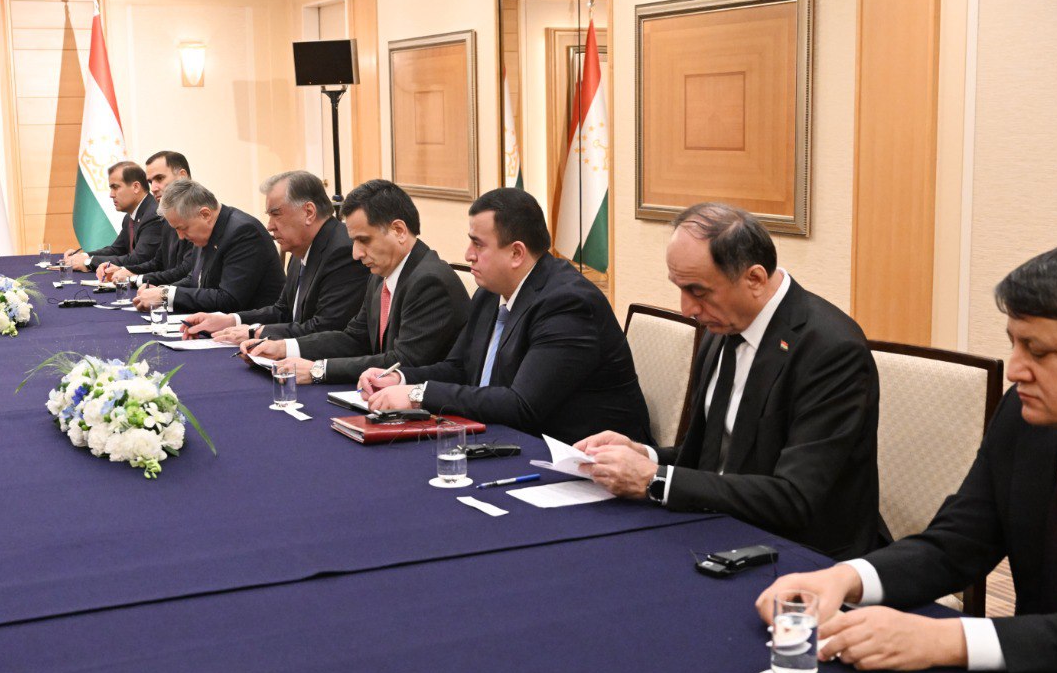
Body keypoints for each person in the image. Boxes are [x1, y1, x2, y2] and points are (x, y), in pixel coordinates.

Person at [754, 241, 1057, 673]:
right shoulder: (1026, 415)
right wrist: (844, 578)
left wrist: (945, 639)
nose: (1015, 371)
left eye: (1039, 352)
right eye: (1014, 343)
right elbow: (957, 544)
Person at [574, 202, 886, 560]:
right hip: (718, 528)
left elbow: (795, 498)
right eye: (680, 288)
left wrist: (654, 479)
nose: (687, 309)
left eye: (698, 291)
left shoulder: (830, 350)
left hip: (803, 553)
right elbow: (712, 461)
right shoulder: (721, 329)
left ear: (754, 279)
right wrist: (642, 454)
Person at [363, 187, 650, 444]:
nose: (468, 254)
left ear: (516, 253)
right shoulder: (490, 292)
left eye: (478, 244)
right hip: (506, 439)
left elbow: (522, 405)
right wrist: (400, 379)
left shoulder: (568, 304)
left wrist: (418, 395)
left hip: (583, 458)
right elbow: (460, 368)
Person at [248, 179, 470, 386]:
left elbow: (401, 362)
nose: (356, 253)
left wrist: (319, 369)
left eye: (364, 240)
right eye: (354, 241)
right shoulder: (380, 275)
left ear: (399, 231)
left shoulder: (430, 281)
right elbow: (354, 338)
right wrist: (284, 347)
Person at [181, 170, 368, 345]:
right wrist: (230, 320)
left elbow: (325, 329)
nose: (269, 226)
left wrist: (256, 332)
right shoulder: (301, 247)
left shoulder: (342, 252)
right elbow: (282, 311)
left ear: (309, 213)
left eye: (276, 214)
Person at [133, 178, 284, 314]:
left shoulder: (243, 232)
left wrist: (166, 295)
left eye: (183, 228)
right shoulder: (206, 231)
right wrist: (161, 291)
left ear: (205, 214)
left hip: (255, 329)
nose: (180, 236)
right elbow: (195, 279)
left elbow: (229, 300)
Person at [100, 151, 195, 286]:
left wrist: (135, 279)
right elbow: (158, 263)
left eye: (159, 178)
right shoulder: (166, 217)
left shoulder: (198, 215)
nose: (153, 188)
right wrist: (126, 271)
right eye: (151, 182)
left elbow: (185, 271)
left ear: (182, 177)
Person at [63, 161, 162, 272]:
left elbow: (138, 259)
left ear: (136, 187)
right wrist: (84, 256)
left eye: (115, 187)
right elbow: (117, 250)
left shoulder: (153, 215)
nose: (111, 194)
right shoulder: (130, 216)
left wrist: (89, 262)